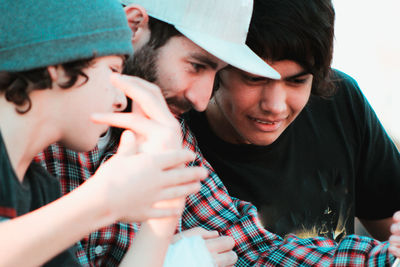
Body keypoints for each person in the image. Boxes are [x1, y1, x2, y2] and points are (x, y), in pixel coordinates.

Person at [37, 0, 400, 266]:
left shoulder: (162, 125)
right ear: (133, 26)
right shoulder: (38, 130)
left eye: (215, 70)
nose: (200, 99)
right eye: (197, 65)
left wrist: (387, 259)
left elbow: (250, 248)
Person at [0, 0, 208, 266]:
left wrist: (165, 207)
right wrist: (105, 199)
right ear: (59, 60)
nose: (121, 99)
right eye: (112, 70)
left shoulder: (40, 191)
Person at [185, 0, 400, 244]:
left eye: (297, 81)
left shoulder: (340, 102)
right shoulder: (174, 140)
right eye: (255, 79)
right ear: (215, 64)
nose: (275, 106)